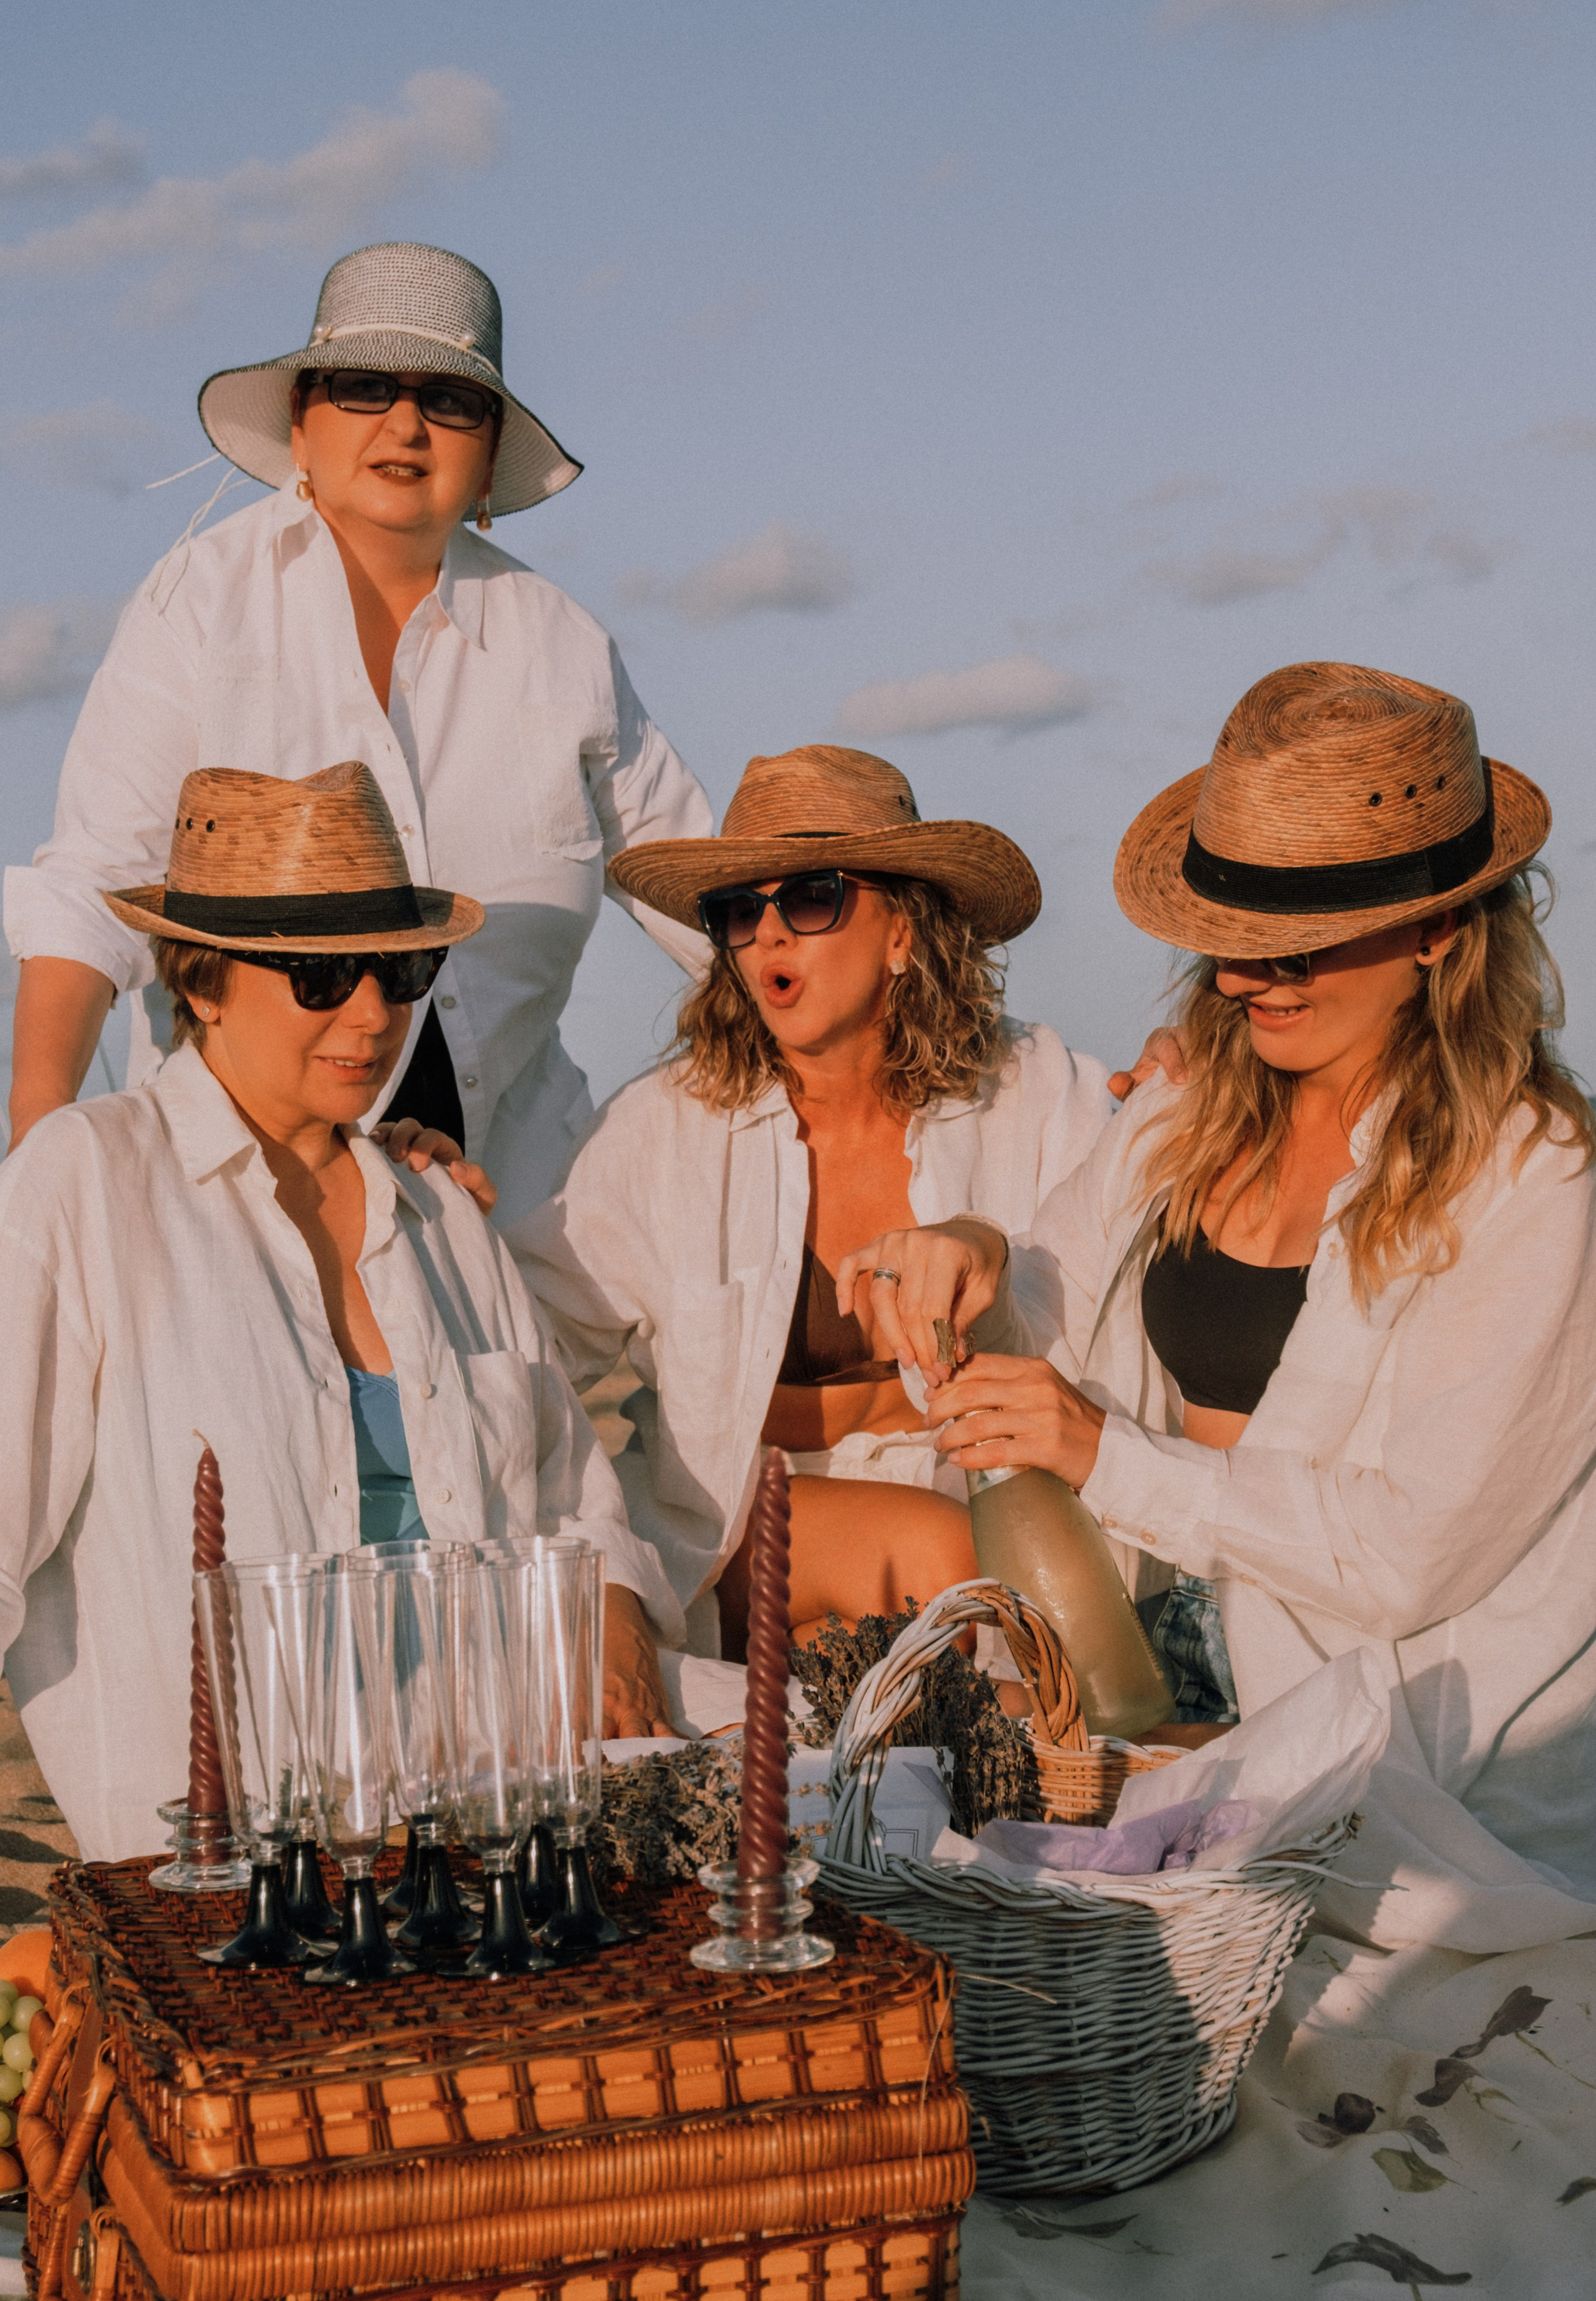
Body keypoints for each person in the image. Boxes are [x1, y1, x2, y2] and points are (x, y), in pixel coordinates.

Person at [838, 661, 1596, 1944]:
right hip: (1143, 1704)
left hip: (1411, 1762)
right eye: (1231, 930)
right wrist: (964, 1259)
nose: (1255, 973)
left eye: (1303, 934)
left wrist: (1097, 1452)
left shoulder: (1533, 1177)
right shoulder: (1182, 1119)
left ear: (1437, 930)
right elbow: (1047, 1299)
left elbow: (1407, 1556)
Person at [0, 762, 680, 1865]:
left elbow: (574, 1498)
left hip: (498, 1832)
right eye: (320, 974)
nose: (373, 1012)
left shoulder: (446, 1219)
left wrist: (614, 1604)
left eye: (398, 967)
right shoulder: (87, 1183)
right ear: (203, 981)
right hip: (234, 1863)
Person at [4, 242, 711, 1222]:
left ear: (487, 451)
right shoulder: (198, 603)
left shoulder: (567, 646)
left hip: (512, 1206)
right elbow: (94, 882)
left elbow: (709, 903)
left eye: (450, 400)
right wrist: (42, 1136)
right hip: (233, 1203)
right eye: (364, 385)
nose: (406, 425)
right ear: (301, 423)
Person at [448, 743, 1111, 1659]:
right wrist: (433, 1213)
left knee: (913, 1646)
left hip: (985, 1537)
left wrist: (1181, 1066)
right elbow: (527, 1335)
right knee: (940, 1559)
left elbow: (1129, 1243)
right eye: (738, 912)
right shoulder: (670, 1129)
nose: (769, 936)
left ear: (902, 931)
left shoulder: (1029, 1089)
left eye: (810, 898)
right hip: (742, 1528)